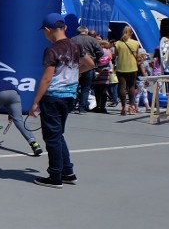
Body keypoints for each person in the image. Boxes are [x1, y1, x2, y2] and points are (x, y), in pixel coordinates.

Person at [28, 13, 94, 188]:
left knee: (52, 138)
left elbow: (46, 79)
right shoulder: (76, 45)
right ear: (64, 27)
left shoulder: (52, 50)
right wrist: (73, 74)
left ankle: (55, 176)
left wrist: (35, 101)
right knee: (58, 135)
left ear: (48, 30)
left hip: (53, 97)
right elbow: (90, 64)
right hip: (69, 97)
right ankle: (68, 172)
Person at [0, 77, 43, 155]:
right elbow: (7, 96)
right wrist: (10, 113)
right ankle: (34, 143)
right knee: (19, 120)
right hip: (14, 94)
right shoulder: (1, 82)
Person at [71, 25, 102, 114]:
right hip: (89, 65)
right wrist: (95, 60)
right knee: (86, 88)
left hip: (76, 66)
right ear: (86, 31)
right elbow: (101, 52)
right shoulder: (92, 40)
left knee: (74, 86)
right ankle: (82, 108)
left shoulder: (73, 39)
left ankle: (72, 107)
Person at [113, 25, 141, 115]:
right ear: (131, 33)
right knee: (132, 87)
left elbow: (115, 55)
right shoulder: (136, 43)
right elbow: (138, 54)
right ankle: (131, 106)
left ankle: (123, 107)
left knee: (122, 87)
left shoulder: (117, 43)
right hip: (132, 67)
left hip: (121, 67)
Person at [91, 40, 112, 113]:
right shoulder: (109, 52)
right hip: (106, 73)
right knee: (103, 90)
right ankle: (103, 106)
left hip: (97, 71)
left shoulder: (98, 52)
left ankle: (98, 105)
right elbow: (110, 63)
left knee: (97, 90)